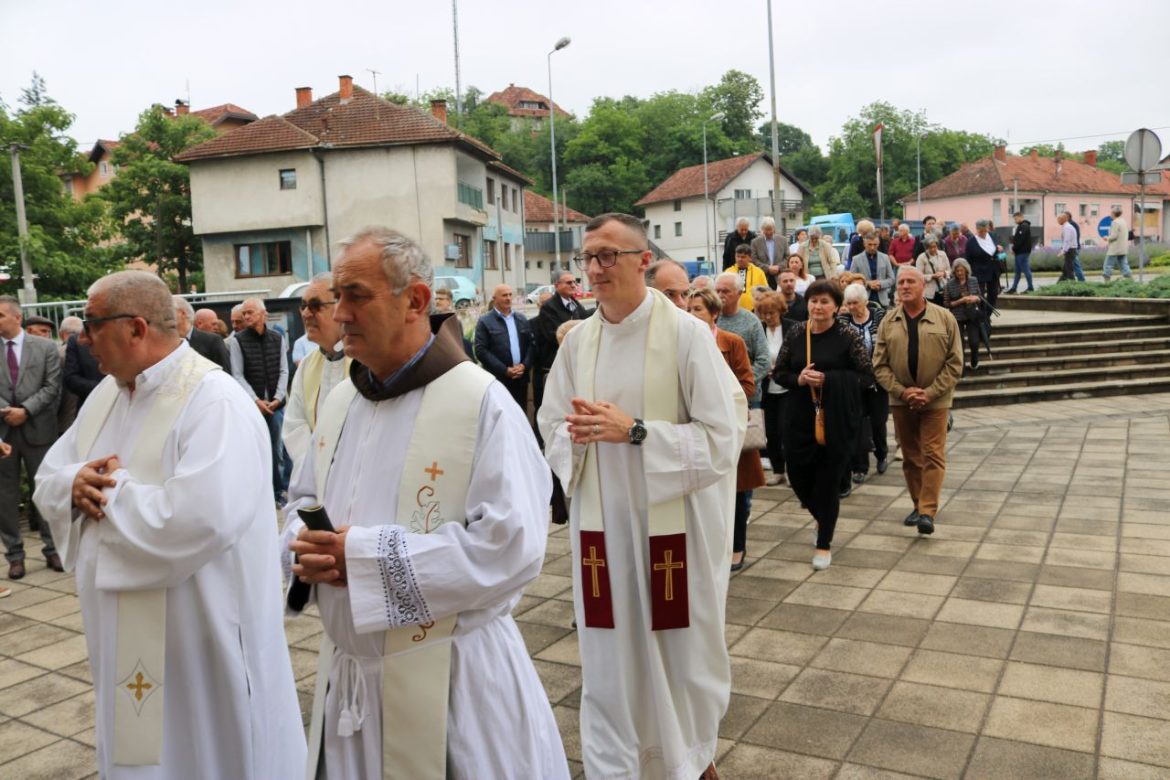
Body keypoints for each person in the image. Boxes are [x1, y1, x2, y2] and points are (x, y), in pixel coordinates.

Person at [285, 228, 567, 779]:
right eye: (335, 297)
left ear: (415, 300)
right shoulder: (342, 399)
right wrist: (302, 551)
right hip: (351, 677)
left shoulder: (479, 402)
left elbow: (511, 547)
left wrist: (361, 559)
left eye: (355, 295)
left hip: (452, 679)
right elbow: (301, 500)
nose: (338, 313)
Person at [32, 271, 305, 778]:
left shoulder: (215, 402)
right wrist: (73, 484)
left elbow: (201, 518)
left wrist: (109, 492)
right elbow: (53, 471)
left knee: (206, 753)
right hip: (120, 631)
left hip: (198, 633)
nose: (82, 339)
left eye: (92, 325)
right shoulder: (107, 395)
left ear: (135, 328)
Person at [539, 212, 744, 779]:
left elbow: (723, 434)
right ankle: (620, 767)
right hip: (602, 533)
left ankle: (689, 761)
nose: (596, 268)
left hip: (669, 536)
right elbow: (550, 419)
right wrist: (574, 438)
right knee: (609, 659)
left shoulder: (684, 334)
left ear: (641, 260)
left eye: (609, 256)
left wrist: (636, 433)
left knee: (679, 653)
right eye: (588, 257)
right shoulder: (578, 342)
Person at [773, 280, 871, 570]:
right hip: (800, 417)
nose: (818, 306)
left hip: (836, 418)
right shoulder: (795, 332)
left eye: (825, 301)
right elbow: (779, 372)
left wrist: (831, 380)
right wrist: (799, 379)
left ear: (837, 307)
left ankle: (824, 543)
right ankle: (822, 516)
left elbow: (866, 376)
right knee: (799, 475)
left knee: (828, 483)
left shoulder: (846, 335)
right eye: (814, 301)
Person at [873, 267, 964, 536]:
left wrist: (931, 392)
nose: (904, 286)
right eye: (900, 282)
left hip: (935, 401)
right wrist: (902, 391)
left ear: (923, 285)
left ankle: (927, 511)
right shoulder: (888, 321)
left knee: (933, 454)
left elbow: (955, 362)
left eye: (910, 281)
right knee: (911, 457)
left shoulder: (944, 318)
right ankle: (918, 504)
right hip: (902, 402)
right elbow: (880, 365)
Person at [687, 287, 764, 572]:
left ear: (714, 314)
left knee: (737, 492)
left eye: (698, 309)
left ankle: (737, 547)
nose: (692, 314)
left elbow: (747, 384)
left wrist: (717, 398)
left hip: (728, 427)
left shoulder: (731, 342)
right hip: (695, 429)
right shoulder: (684, 343)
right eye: (689, 309)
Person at [0, 296, 62, 578]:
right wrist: (6, 411)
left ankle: (53, 549)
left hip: (38, 429)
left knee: (46, 492)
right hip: (3, 434)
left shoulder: (46, 347)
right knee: (5, 496)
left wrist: (25, 410)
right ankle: (14, 555)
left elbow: (52, 387)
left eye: (0, 315)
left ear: (16, 318)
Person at [281, 272, 350, 477]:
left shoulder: (367, 361)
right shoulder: (307, 365)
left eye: (315, 305)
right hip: (314, 477)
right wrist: (315, 467)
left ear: (341, 308)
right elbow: (294, 424)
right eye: (303, 306)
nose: (306, 314)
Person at [228, 297, 290, 504]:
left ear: (263, 314)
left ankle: (278, 491)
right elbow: (237, 374)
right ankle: (259, 493)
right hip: (252, 407)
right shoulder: (238, 340)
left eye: (250, 312)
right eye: (244, 313)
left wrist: (278, 397)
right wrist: (255, 400)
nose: (246, 316)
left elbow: (284, 369)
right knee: (254, 450)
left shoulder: (277, 338)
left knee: (277, 451)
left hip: (275, 405)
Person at [839, 283, 888, 486]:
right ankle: (859, 467)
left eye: (855, 303)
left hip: (877, 380)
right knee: (857, 424)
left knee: (878, 421)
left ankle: (882, 453)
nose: (851, 307)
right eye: (848, 303)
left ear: (865, 301)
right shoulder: (843, 321)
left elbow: (888, 345)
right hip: (854, 381)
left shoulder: (879, 317)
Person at [532, 272, 590, 414]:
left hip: (576, 362)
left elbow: (586, 326)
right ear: (557, 286)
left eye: (574, 282)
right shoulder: (549, 307)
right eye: (568, 283)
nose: (573, 285)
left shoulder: (575, 304)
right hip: (555, 363)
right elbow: (555, 335)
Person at [474, 284, 534, 412]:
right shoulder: (485, 321)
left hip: (520, 378)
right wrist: (504, 370)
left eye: (510, 295)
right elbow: (481, 351)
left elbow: (531, 345)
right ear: (494, 298)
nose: (508, 298)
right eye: (504, 295)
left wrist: (524, 366)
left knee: (520, 414)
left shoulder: (521, 319)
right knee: (503, 417)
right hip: (499, 380)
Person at [714, 272, 770, 408]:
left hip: (748, 397)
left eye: (726, 291)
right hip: (716, 394)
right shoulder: (709, 319)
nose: (721, 295)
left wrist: (739, 384)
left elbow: (764, 361)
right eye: (717, 291)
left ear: (739, 294)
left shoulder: (752, 322)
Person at [755, 292, 789, 486]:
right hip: (767, 388)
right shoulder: (759, 329)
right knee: (772, 431)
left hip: (788, 388)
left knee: (786, 430)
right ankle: (778, 471)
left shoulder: (791, 327)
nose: (768, 317)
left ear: (780, 310)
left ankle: (792, 469)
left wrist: (781, 369)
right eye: (764, 313)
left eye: (772, 312)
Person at [944, 258, 984, 370]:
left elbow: (980, 298)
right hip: (957, 316)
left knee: (974, 341)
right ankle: (961, 368)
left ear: (966, 270)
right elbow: (946, 303)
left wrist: (976, 298)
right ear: (954, 272)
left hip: (972, 315)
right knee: (959, 344)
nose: (960, 273)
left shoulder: (973, 280)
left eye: (962, 270)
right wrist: (960, 301)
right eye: (957, 271)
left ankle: (974, 360)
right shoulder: (950, 284)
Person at [172, 295, 230, 371]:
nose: (164, 315)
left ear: (183, 313)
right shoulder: (167, 342)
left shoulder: (212, 341)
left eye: (169, 311)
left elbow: (225, 372)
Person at [852, 232, 898, 307]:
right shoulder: (856, 259)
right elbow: (852, 280)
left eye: (875, 245)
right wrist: (867, 283)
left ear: (878, 244)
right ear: (864, 244)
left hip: (882, 300)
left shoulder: (885, 258)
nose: (872, 247)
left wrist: (880, 284)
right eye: (869, 244)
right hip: (863, 300)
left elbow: (892, 279)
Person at [965, 219, 1002, 308]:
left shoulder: (993, 236)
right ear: (977, 230)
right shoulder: (971, 242)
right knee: (980, 295)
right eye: (981, 231)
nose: (983, 233)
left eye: (985, 230)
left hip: (993, 270)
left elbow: (996, 248)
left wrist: (998, 249)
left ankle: (988, 314)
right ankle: (982, 316)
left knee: (993, 293)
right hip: (978, 271)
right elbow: (968, 259)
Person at [725, 244, 769, 311]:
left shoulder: (759, 272)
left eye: (743, 257)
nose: (740, 259)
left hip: (754, 310)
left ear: (750, 257)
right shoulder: (728, 272)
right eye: (738, 256)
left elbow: (766, 292)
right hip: (733, 310)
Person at [1005, 210, 1036, 293]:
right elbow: (1018, 240)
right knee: (1017, 271)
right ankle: (1014, 288)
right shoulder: (1021, 226)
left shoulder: (1024, 226)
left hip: (1022, 252)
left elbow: (1020, 240)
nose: (1015, 221)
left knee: (1026, 270)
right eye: (1014, 219)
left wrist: (1014, 249)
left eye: (1016, 219)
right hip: (1020, 252)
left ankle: (1030, 288)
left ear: (1021, 217)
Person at [916, 234, 951, 304]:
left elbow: (949, 270)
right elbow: (918, 276)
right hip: (928, 291)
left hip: (943, 288)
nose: (933, 249)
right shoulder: (921, 257)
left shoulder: (943, 254)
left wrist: (943, 273)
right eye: (930, 247)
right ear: (926, 247)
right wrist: (932, 276)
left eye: (935, 247)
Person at [750, 217, 783, 287]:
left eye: (770, 230)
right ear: (762, 229)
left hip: (779, 276)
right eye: (766, 230)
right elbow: (753, 259)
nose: (768, 232)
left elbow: (787, 256)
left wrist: (778, 267)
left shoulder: (783, 240)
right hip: (763, 276)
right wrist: (767, 268)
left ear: (774, 229)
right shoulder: (755, 242)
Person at [1103, 206, 1132, 282]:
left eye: (1111, 212)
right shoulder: (1123, 221)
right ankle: (1130, 280)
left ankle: (1107, 281)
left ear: (1113, 213)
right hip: (1123, 247)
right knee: (1124, 265)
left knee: (1108, 265)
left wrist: (1107, 238)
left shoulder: (1115, 222)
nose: (1110, 214)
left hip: (1115, 248)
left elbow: (1114, 236)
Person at [1063, 210, 1087, 282]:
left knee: (1075, 265)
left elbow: (1070, 239)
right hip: (1072, 248)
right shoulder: (1070, 224)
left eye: (1063, 217)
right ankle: (1065, 281)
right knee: (1068, 266)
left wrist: (1065, 248)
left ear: (1067, 217)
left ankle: (1082, 281)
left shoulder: (1071, 225)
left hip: (1073, 248)